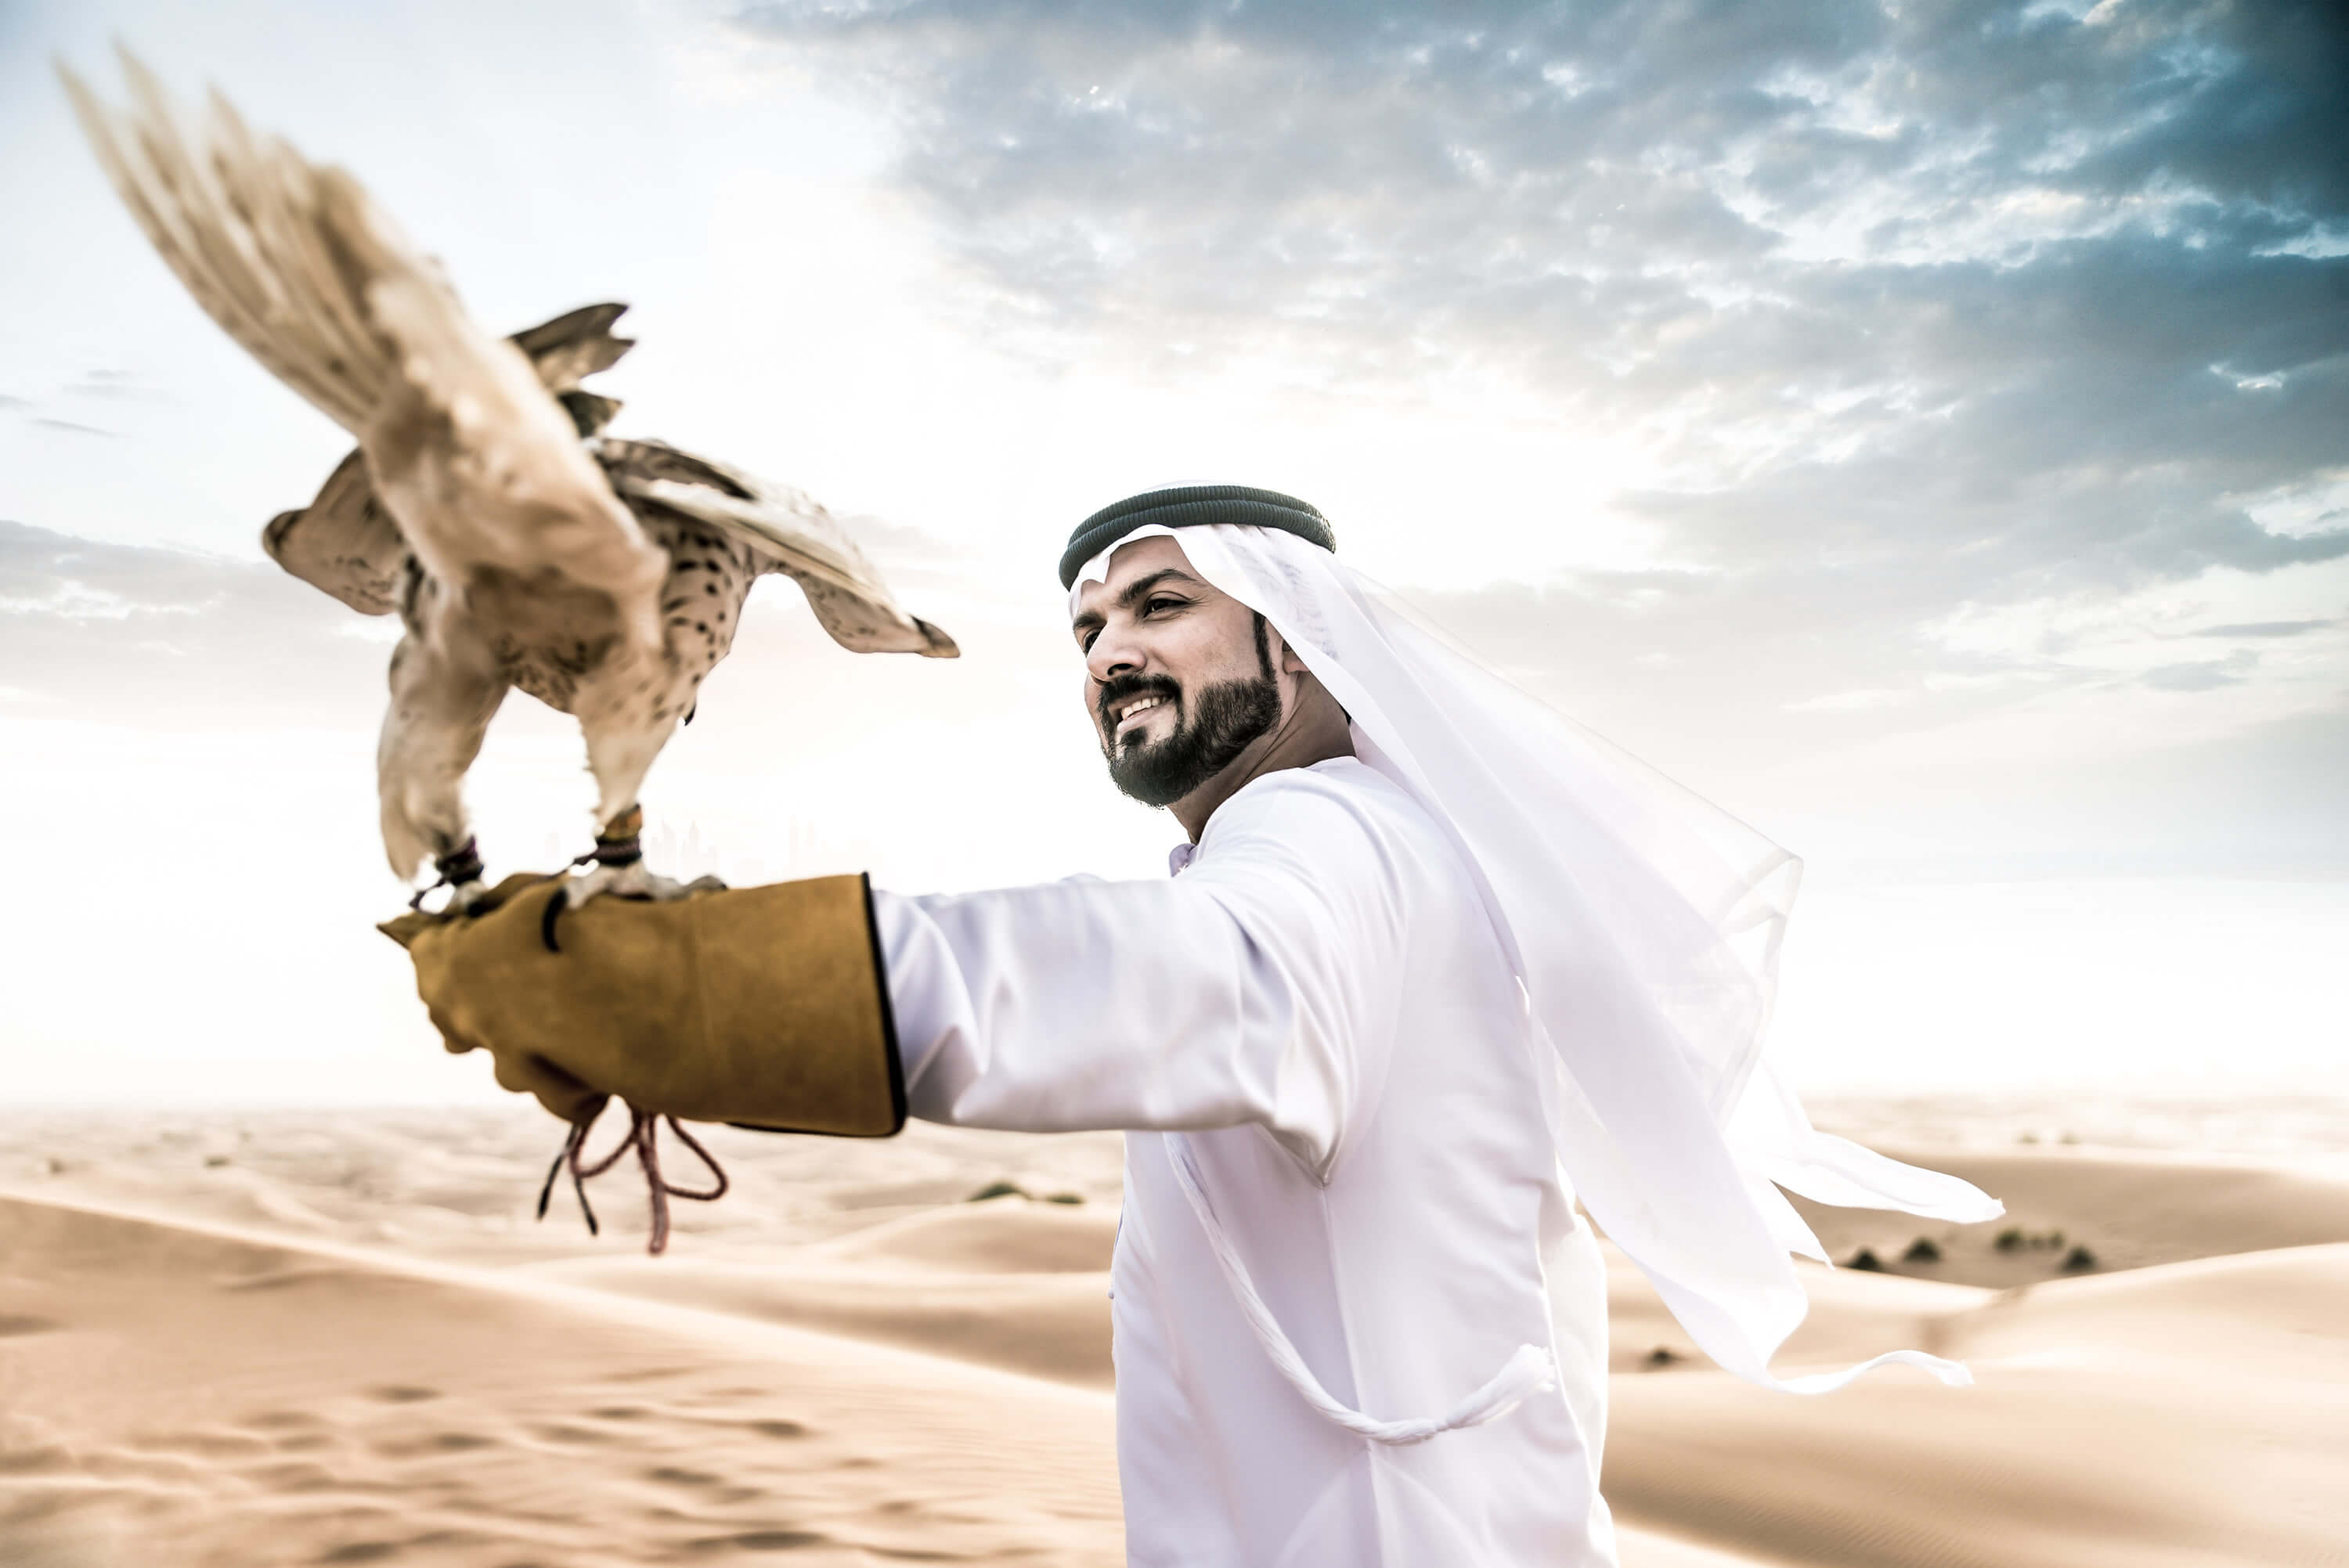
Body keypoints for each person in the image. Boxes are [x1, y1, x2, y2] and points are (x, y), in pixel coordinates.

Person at [396, 484, 2001, 1567]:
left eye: (1162, 604)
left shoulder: (1337, 847)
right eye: (1090, 631)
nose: (1111, 654)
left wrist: (684, 991)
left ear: (1303, 643)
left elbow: (1143, 985)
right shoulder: (1346, 851)